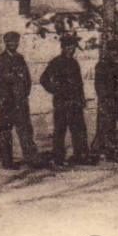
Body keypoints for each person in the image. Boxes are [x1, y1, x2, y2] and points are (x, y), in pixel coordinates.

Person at [39, 33, 92, 167]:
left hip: (75, 101)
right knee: (60, 130)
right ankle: (59, 158)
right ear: (63, 47)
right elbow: (43, 79)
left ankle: (79, 155)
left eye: (73, 46)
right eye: (68, 46)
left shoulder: (74, 63)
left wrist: (82, 99)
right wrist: (55, 90)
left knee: (78, 129)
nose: (71, 49)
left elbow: (79, 83)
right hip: (61, 102)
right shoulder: (56, 62)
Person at [0, 31, 41, 170]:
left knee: (25, 129)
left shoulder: (20, 59)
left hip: (21, 100)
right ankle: (6, 161)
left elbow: (27, 79)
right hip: (7, 101)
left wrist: (24, 94)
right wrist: (11, 79)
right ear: (6, 43)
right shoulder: (0, 59)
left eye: (16, 42)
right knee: (6, 130)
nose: (13, 44)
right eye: (10, 42)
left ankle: (31, 158)